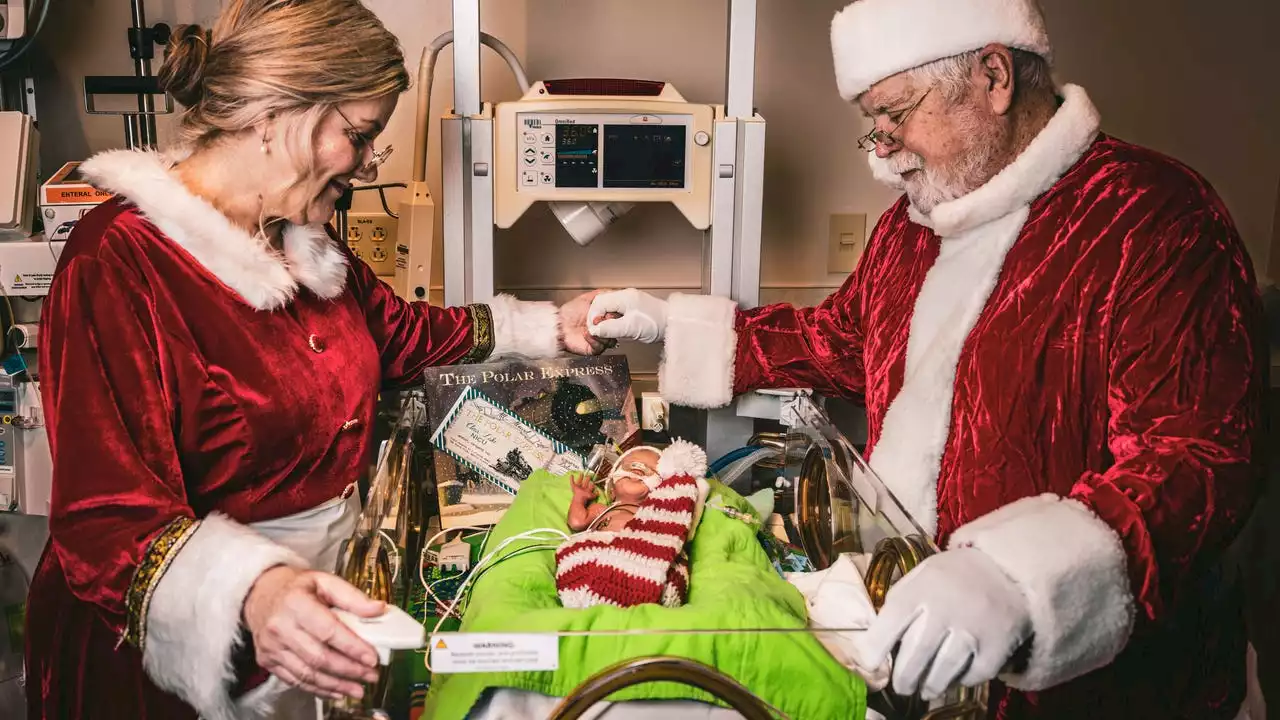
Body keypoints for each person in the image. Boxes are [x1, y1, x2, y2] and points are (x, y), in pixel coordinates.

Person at [588, 0, 1266, 716]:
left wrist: (1021, 578)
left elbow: (1196, 458)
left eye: (896, 114)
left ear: (994, 77)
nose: (883, 150)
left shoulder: (1153, 220)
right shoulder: (909, 233)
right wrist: (671, 328)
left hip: (1108, 694)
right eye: (871, 126)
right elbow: (841, 342)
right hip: (924, 657)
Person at [24, 1, 605, 718]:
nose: (365, 164)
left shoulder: (301, 248)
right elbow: (105, 518)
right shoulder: (118, 263)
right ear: (274, 114)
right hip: (172, 658)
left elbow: (401, 335)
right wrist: (253, 588)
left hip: (312, 616)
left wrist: (551, 325)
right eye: (358, 136)